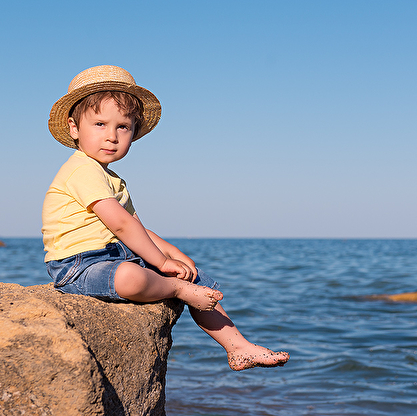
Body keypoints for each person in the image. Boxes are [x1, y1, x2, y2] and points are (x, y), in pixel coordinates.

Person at [42, 65, 289, 371]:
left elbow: (136, 227)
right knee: (131, 277)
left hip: (114, 254)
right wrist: (161, 262)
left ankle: (237, 346)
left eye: (123, 127)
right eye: (100, 124)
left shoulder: (111, 178)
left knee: (190, 272)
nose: (112, 136)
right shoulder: (81, 170)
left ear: (134, 131)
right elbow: (120, 224)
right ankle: (177, 290)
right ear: (74, 128)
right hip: (77, 265)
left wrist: (173, 254)